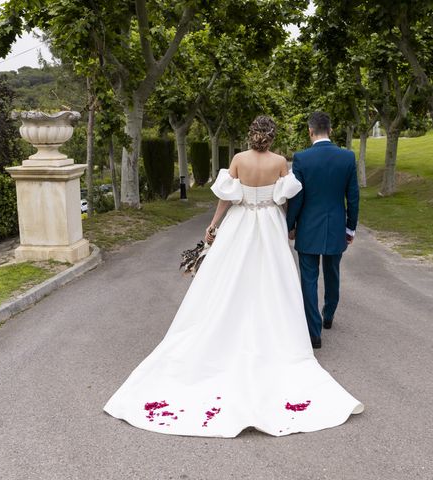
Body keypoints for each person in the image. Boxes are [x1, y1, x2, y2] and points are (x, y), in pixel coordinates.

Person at [104, 116, 363, 438]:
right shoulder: (281, 162)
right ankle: (286, 330)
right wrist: (286, 226)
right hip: (268, 223)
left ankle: (228, 322)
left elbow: (226, 198)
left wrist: (213, 225)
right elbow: (285, 201)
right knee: (274, 281)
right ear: (271, 137)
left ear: (251, 135)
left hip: (240, 224)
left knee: (227, 280)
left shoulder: (238, 160)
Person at [286, 112, 360, 349]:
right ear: (331, 129)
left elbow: (297, 198)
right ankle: (328, 316)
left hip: (308, 228)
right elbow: (354, 198)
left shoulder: (301, 159)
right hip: (337, 226)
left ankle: (314, 331)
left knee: (309, 278)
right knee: (332, 273)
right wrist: (351, 228)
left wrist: (290, 225)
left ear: (310, 131)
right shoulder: (347, 157)